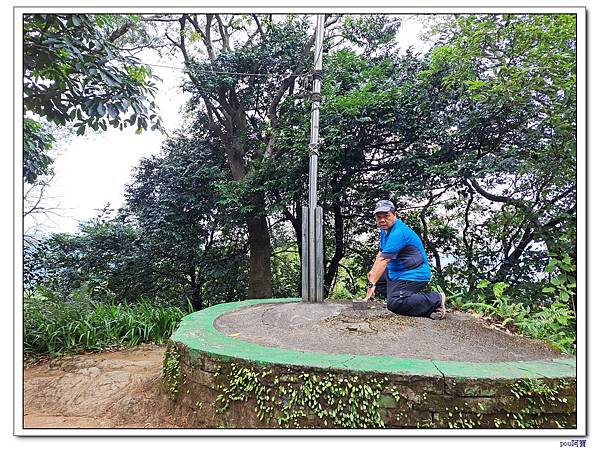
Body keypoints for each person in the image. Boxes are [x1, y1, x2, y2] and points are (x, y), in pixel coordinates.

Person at [363, 199, 446, 320]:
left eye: (386, 216)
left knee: (395, 303)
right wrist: (372, 274)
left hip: (413, 274)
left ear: (394, 215)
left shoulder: (399, 232)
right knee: (376, 277)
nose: (382, 220)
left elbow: (383, 261)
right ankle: (403, 296)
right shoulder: (384, 230)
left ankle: (436, 299)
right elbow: (381, 254)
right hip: (397, 272)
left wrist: (371, 285)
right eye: (378, 217)